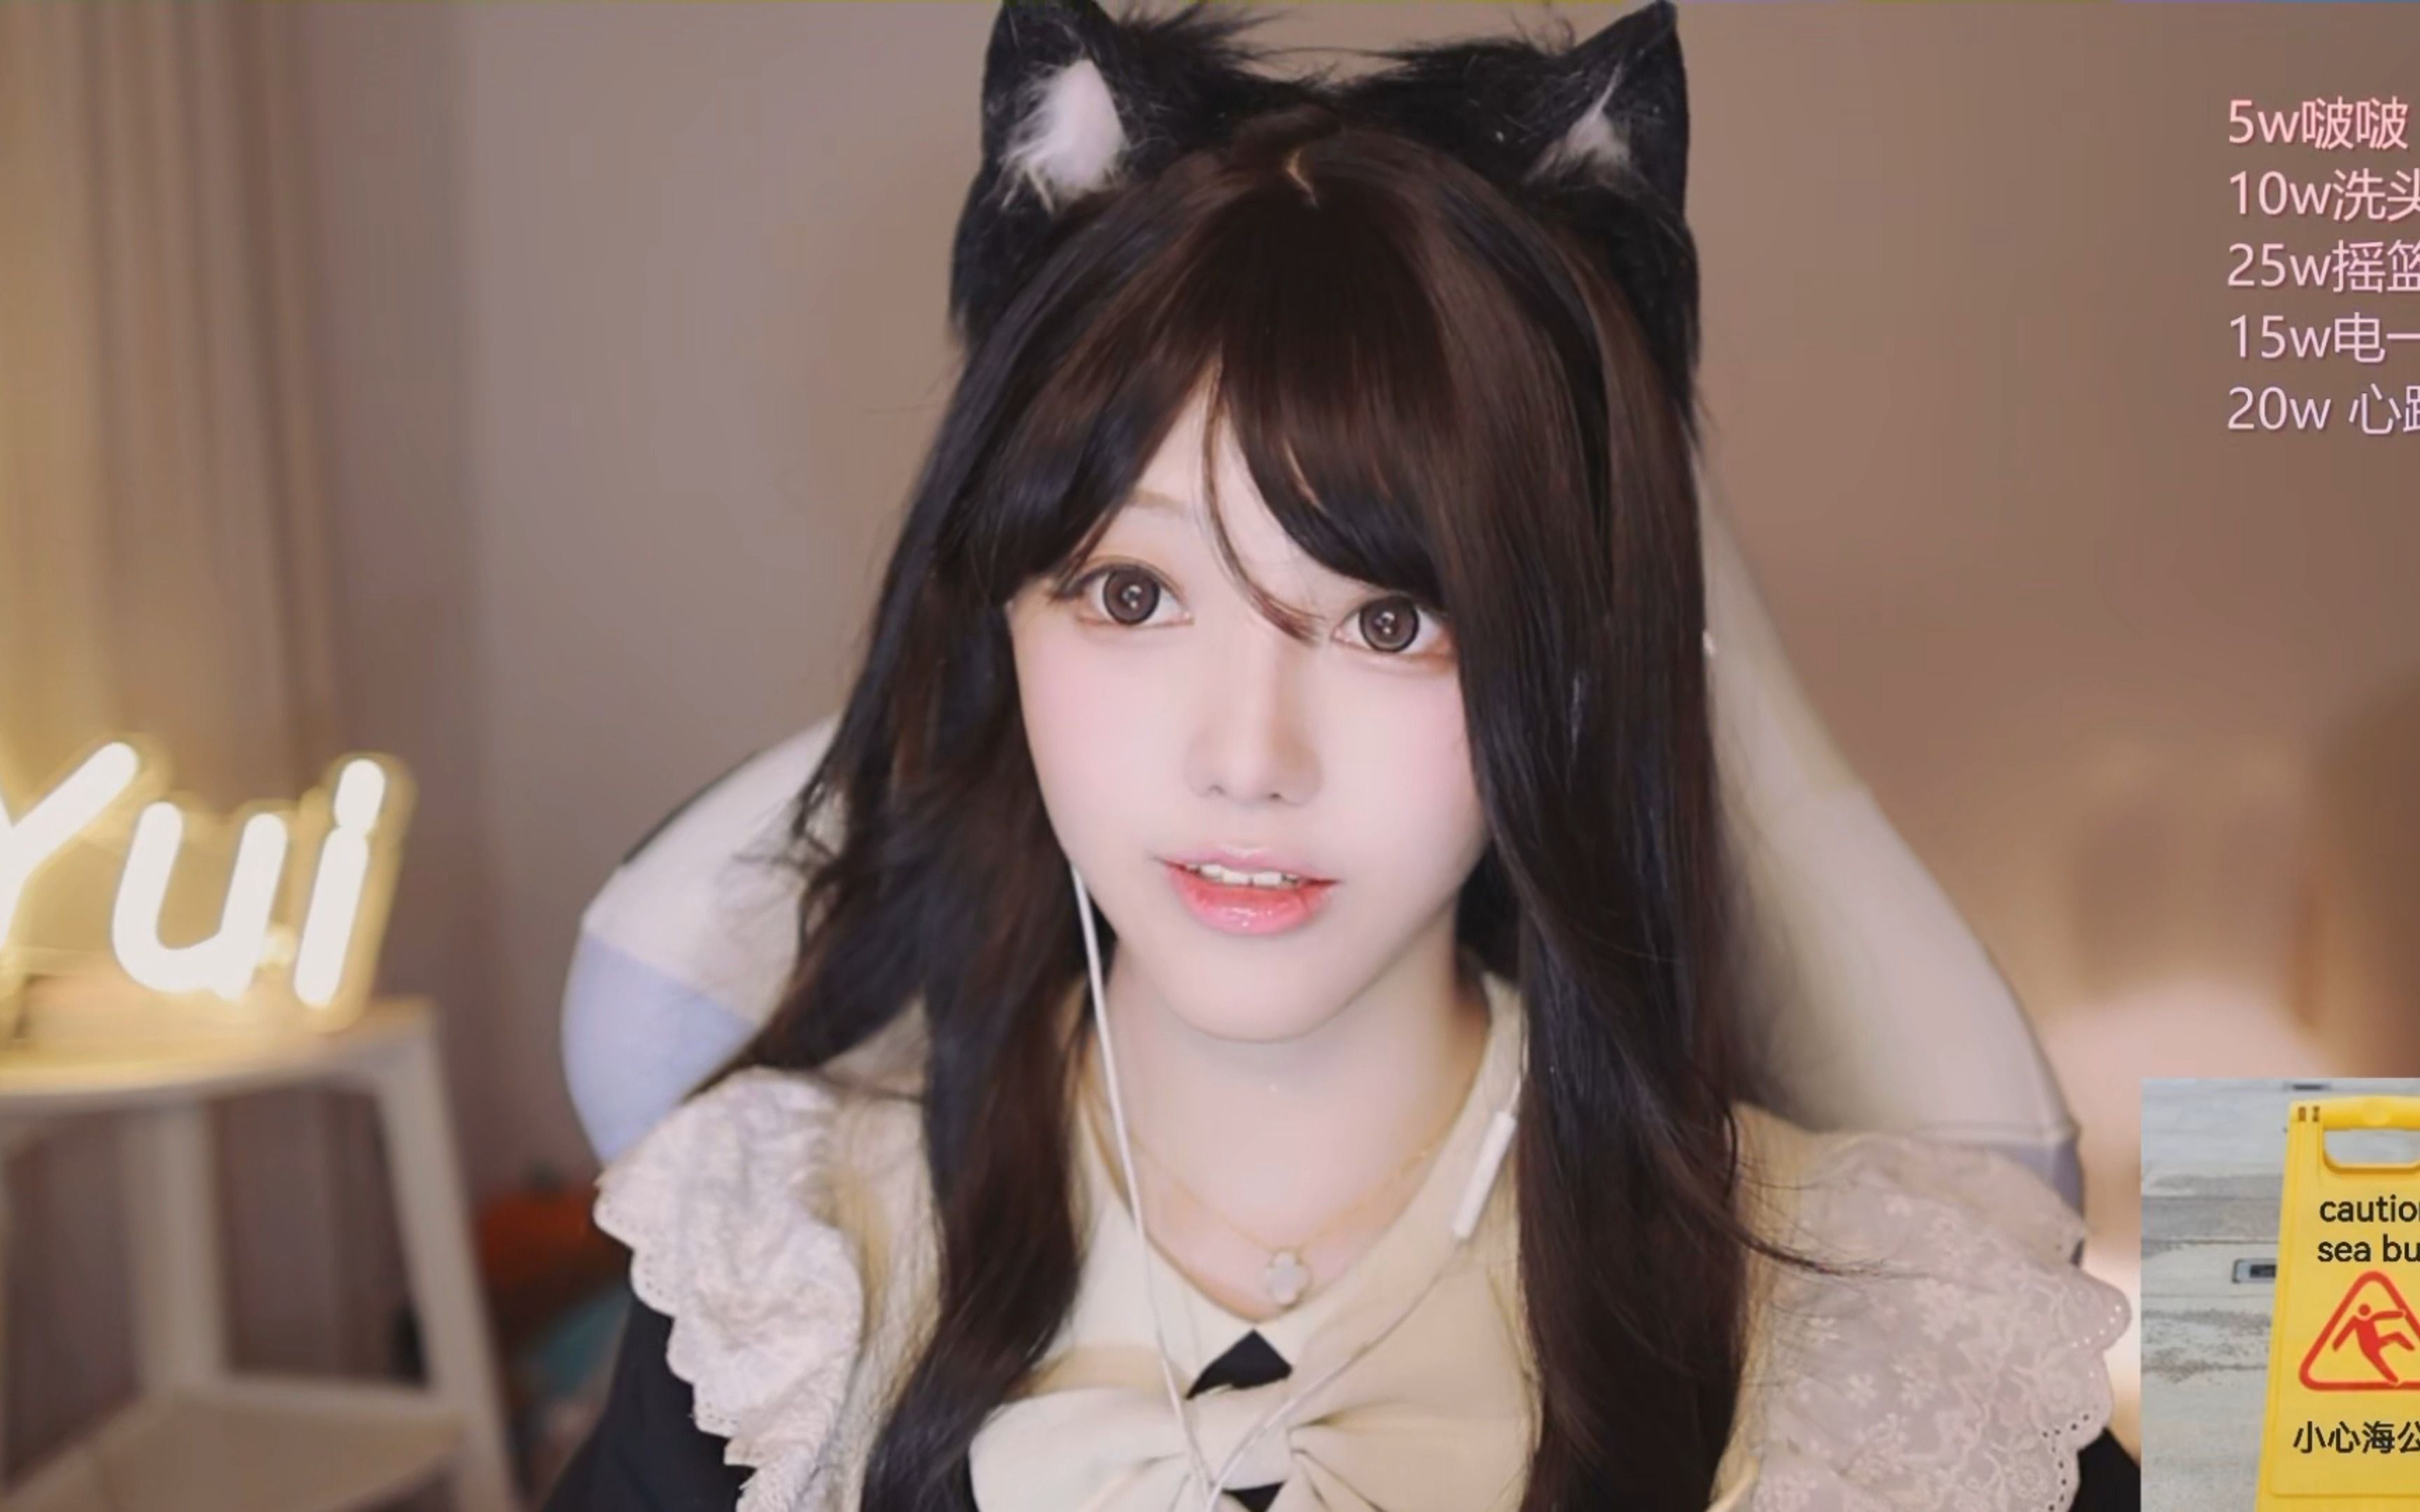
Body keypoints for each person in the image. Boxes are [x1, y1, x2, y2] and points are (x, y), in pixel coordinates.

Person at [543, 3, 2138, 1508]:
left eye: (1389, 621)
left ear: (1570, 655)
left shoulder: (1884, 1331)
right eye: (1133, 593)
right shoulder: (782, 1270)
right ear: (1002, 615)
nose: (1249, 761)